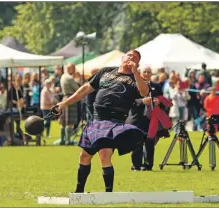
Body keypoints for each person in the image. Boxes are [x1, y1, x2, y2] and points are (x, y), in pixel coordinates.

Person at [56, 50, 149, 193]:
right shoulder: (105, 71)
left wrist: (135, 72)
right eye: (129, 55)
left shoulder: (135, 78)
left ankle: (108, 193)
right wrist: (64, 104)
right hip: (96, 119)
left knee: (104, 155)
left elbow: (144, 92)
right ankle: (79, 192)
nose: (131, 57)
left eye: (135, 58)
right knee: (85, 156)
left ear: (138, 63)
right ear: (122, 58)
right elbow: (84, 89)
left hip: (114, 120)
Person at [126, 66, 164, 171]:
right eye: (144, 72)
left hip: (151, 119)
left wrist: (158, 101)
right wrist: (142, 101)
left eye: (149, 72)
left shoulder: (156, 86)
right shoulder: (133, 85)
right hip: (137, 117)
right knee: (137, 142)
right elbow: (129, 101)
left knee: (150, 143)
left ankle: (148, 165)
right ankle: (136, 165)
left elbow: (162, 100)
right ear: (140, 73)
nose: (146, 74)